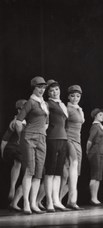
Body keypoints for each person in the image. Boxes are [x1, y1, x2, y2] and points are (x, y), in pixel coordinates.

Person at [15, 76, 48, 214]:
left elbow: (46, 122)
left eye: (43, 87)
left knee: (39, 173)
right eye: (39, 87)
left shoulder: (44, 104)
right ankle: (26, 204)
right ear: (33, 88)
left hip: (41, 138)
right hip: (29, 137)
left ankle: (34, 203)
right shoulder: (30, 102)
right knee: (30, 170)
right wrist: (21, 136)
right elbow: (18, 121)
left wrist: (42, 132)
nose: (41, 89)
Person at [44, 79, 69, 212]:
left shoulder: (62, 104)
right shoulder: (48, 104)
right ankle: (49, 202)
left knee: (58, 172)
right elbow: (44, 120)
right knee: (50, 171)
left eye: (57, 89)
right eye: (52, 90)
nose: (55, 92)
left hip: (63, 138)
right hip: (52, 138)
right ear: (48, 92)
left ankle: (56, 200)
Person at [1, 99, 27, 211]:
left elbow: (4, 139)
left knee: (18, 165)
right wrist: (2, 152)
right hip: (16, 147)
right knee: (19, 164)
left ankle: (13, 193)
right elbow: (5, 139)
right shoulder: (16, 121)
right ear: (19, 110)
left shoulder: (21, 119)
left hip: (18, 147)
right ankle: (12, 188)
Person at [62, 85, 85, 210]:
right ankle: (72, 200)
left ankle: (62, 201)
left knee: (73, 174)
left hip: (78, 141)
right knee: (72, 166)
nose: (75, 98)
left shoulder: (79, 109)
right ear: (68, 96)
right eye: (72, 96)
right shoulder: (67, 108)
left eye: (78, 96)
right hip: (68, 139)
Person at [86, 108, 103, 205]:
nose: (102, 116)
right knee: (95, 175)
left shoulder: (100, 126)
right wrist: (87, 151)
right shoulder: (95, 126)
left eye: (102, 115)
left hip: (100, 152)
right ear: (95, 116)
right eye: (100, 115)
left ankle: (95, 198)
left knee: (98, 176)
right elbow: (90, 140)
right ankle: (93, 198)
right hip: (95, 152)